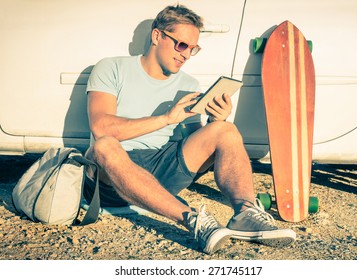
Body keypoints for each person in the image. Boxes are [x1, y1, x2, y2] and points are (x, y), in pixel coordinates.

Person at [84, 4, 296, 255]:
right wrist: (166, 118)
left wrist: (215, 122)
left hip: (163, 170)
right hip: (114, 174)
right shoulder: (112, 67)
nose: (186, 55)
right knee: (104, 145)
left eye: (193, 49)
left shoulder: (189, 84)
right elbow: (101, 127)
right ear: (157, 36)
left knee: (225, 130)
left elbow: (196, 144)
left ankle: (246, 213)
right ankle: (192, 220)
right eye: (181, 45)